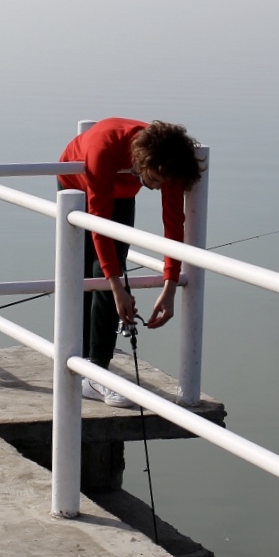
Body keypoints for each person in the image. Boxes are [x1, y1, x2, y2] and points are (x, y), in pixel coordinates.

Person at [58, 118, 203, 406]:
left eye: (163, 184)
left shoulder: (168, 164)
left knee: (112, 266)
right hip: (78, 184)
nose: (156, 188)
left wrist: (170, 285)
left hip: (123, 188)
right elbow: (100, 224)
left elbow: (174, 225)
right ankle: (91, 368)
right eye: (155, 181)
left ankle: (95, 366)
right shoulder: (105, 149)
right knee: (93, 270)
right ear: (141, 160)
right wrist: (116, 288)